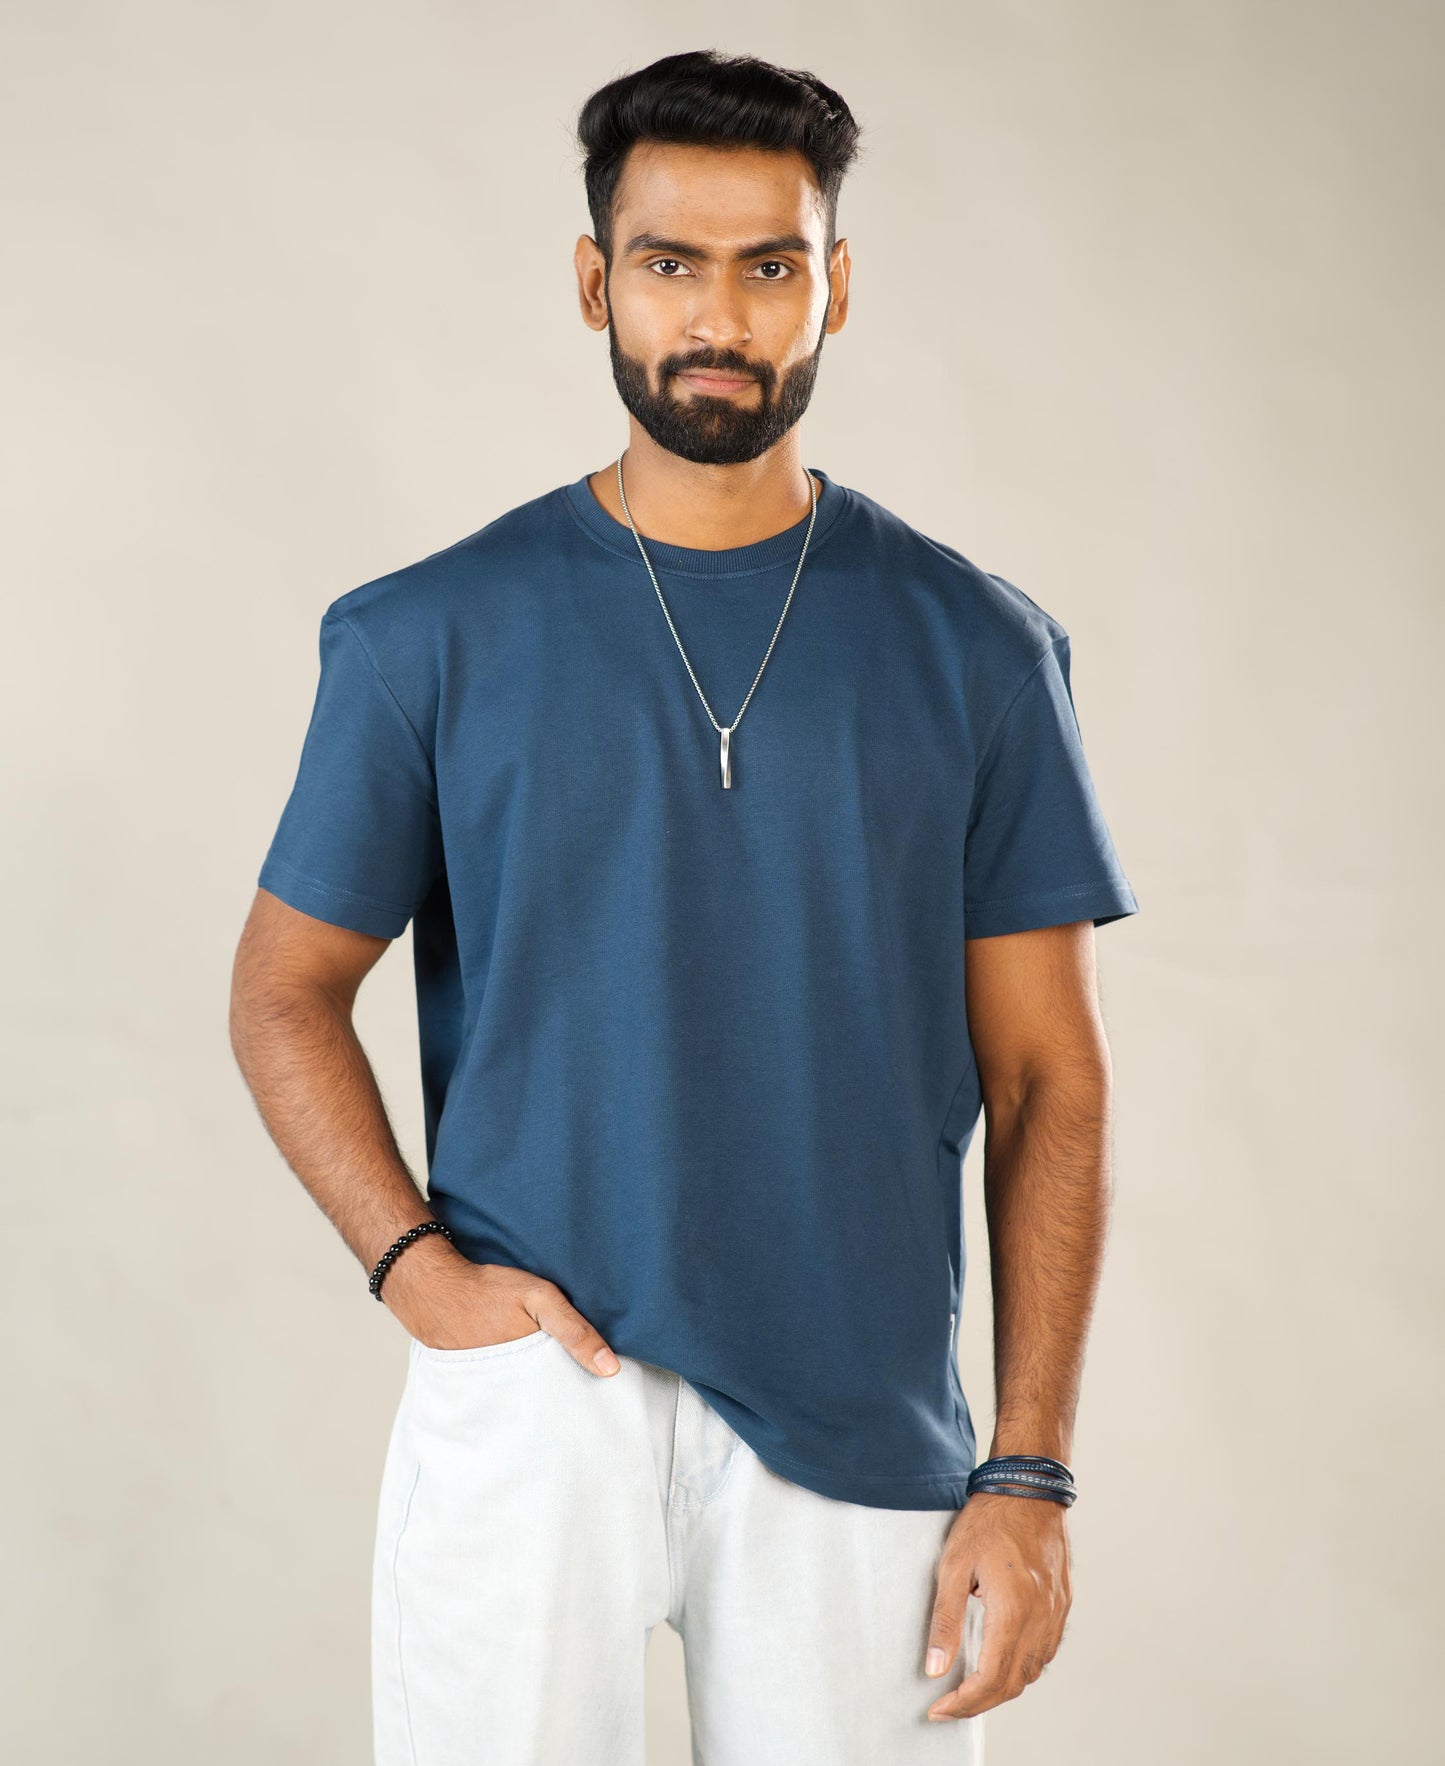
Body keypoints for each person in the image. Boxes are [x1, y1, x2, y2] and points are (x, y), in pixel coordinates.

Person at [230, 47, 1140, 1766]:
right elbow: (282, 987)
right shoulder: (426, 632)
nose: (718, 312)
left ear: (834, 286)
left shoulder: (978, 650)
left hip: (861, 1417)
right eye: (669, 261)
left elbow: (1048, 1084)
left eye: (767, 262)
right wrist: (414, 1268)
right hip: (537, 1383)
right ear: (594, 279)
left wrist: (1025, 1469)